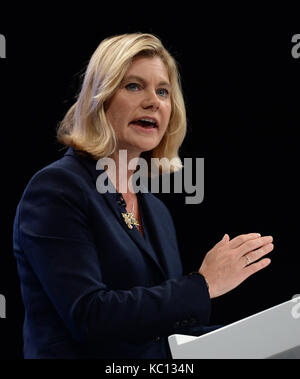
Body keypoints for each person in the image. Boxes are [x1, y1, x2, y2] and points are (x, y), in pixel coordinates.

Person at [13, 33, 274, 359]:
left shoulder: (157, 211)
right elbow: (90, 317)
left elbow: (166, 334)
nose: (154, 101)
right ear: (100, 98)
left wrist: (269, 335)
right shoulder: (57, 188)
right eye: (134, 86)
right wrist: (203, 284)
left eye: (163, 91)